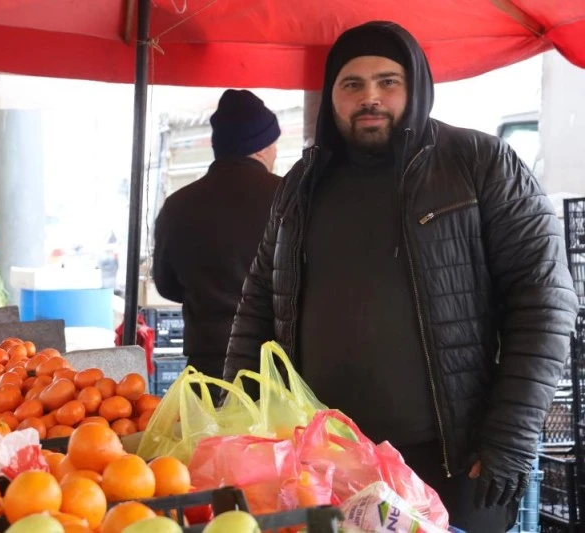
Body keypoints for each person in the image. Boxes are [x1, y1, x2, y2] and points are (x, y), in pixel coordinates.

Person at [222, 21, 578, 532]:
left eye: (388, 81)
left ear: (416, 87)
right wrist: (236, 422)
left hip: (455, 463)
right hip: (326, 467)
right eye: (352, 84)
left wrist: (511, 434)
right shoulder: (302, 183)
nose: (370, 96)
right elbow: (258, 304)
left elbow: (545, 301)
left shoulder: (480, 163)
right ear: (334, 97)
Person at [153, 89, 281, 386]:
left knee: (208, 434)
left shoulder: (178, 205)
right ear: (262, 147)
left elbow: (167, 285)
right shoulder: (289, 198)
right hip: (277, 370)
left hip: (207, 369)